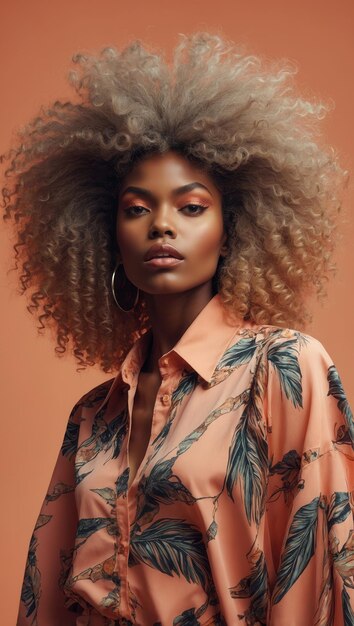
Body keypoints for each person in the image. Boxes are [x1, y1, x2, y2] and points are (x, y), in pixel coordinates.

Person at [2, 32, 353, 626]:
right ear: (105, 232)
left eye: (191, 207)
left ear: (232, 228)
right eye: (137, 208)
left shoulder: (285, 369)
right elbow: (47, 595)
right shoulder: (94, 414)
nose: (162, 225)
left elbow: (315, 570)